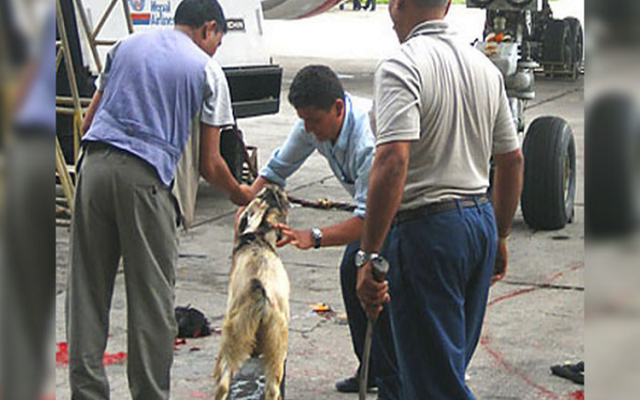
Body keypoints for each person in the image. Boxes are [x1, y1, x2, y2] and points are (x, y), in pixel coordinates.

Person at [66, 0, 253, 399]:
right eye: (218, 40)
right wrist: (242, 193)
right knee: (151, 303)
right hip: (147, 181)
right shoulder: (207, 70)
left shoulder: (127, 46)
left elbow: (87, 121)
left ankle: (86, 393)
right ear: (208, 29)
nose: (216, 48)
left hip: (94, 169)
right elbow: (211, 163)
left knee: (87, 292)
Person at [356, 0, 524, 399]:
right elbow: (512, 158)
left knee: (436, 386)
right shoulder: (485, 67)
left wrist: (368, 256)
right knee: (444, 368)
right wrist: (499, 234)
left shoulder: (402, 64)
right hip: (477, 223)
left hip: (428, 232)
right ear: (447, 5)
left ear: (397, 5)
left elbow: (393, 159)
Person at [248, 65, 400, 400]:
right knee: (351, 270)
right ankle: (372, 366)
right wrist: (248, 211)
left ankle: (393, 374)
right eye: (304, 120)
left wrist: (312, 236)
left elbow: (367, 220)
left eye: (314, 120)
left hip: (404, 215)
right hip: (373, 211)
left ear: (338, 108)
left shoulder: (365, 140)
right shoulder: (311, 125)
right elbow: (275, 171)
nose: (309, 129)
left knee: (373, 279)